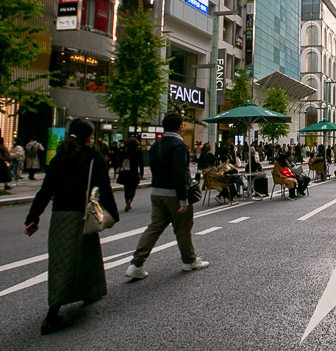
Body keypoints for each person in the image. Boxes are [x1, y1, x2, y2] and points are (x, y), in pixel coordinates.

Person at [24, 119, 119, 335]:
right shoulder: (94, 158)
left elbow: (45, 190)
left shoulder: (60, 157)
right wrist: (113, 214)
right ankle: (51, 316)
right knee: (68, 262)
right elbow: (104, 188)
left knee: (79, 254)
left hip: (59, 215)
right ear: (90, 137)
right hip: (81, 215)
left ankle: (90, 291)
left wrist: (33, 218)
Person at [125, 113, 208, 281]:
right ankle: (189, 261)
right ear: (180, 126)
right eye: (183, 125)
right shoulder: (179, 145)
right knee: (183, 229)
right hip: (174, 195)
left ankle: (136, 264)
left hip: (157, 193)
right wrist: (183, 198)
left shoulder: (156, 144)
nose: (184, 127)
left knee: (154, 228)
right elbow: (180, 173)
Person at [117, 138, 144, 212]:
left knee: (126, 188)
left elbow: (119, 161)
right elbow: (141, 163)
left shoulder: (124, 152)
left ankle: (127, 201)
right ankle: (130, 199)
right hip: (134, 172)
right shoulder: (138, 152)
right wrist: (141, 173)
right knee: (133, 187)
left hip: (125, 172)